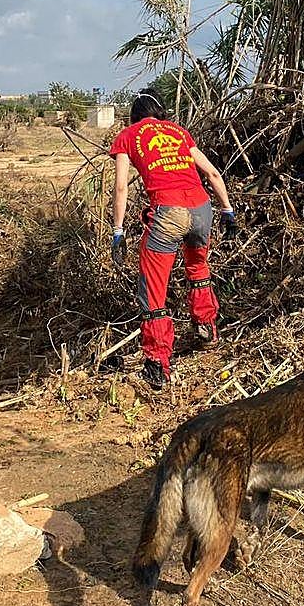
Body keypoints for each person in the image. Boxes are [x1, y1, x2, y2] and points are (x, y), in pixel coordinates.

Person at [109, 90, 239, 388]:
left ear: (135, 115)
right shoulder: (179, 132)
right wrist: (228, 211)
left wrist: (118, 230)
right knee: (198, 268)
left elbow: (120, 187)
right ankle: (206, 327)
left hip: (168, 212)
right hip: (202, 209)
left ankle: (157, 363)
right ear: (160, 112)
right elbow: (212, 173)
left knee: (154, 288)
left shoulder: (127, 136)